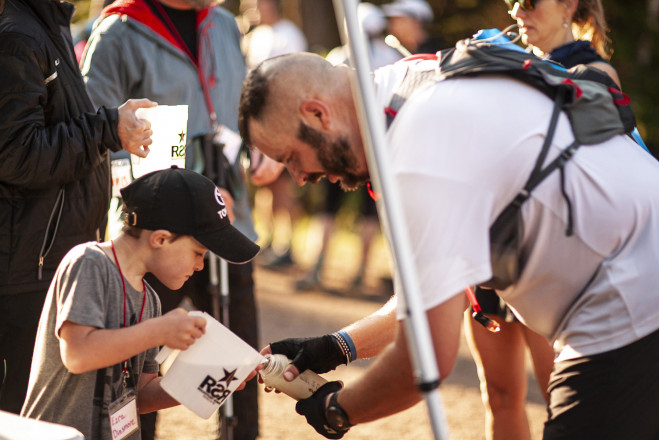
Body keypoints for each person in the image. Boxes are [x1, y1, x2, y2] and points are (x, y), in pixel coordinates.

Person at [238, 52, 659, 439]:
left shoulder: (415, 149)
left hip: (628, 304)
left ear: (317, 114)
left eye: (291, 157)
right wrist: (333, 348)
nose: (297, 177)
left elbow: (423, 361)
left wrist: (336, 409)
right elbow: (427, 300)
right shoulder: (412, 83)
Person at [80, 1, 278, 439]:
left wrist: (261, 145)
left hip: (230, 224)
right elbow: (93, 131)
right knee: (135, 367)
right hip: (155, 239)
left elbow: (242, 105)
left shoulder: (225, 24)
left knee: (238, 357)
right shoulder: (118, 31)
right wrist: (185, 195)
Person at [463, 2, 624, 438]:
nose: (517, 11)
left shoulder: (596, 73)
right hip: (493, 247)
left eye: (531, 1)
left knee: (562, 401)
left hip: (553, 256)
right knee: (498, 396)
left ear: (568, 4)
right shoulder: (507, 61)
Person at [20, 166, 260, 440]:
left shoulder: (151, 301)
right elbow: (77, 355)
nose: (199, 266)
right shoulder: (88, 263)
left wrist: (211, 376)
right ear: (161, 238)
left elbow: (142, 395)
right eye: (198, 252)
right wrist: (158, 331)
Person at [0, 0, 156, 416]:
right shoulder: (19, 35)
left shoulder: (46, 25)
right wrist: (106, 128)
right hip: (27, 268)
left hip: (47, 259)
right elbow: (16, 154)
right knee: (25, 416)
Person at [241, 0, 308, 269]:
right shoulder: (254, 36)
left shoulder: (289, 34)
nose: (251, 8)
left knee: (282, 184)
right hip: (256, 119)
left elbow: (297, 78)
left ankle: (287, 243)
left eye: (256, 3)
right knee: (262, 180)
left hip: (281, 119)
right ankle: (266, 237)